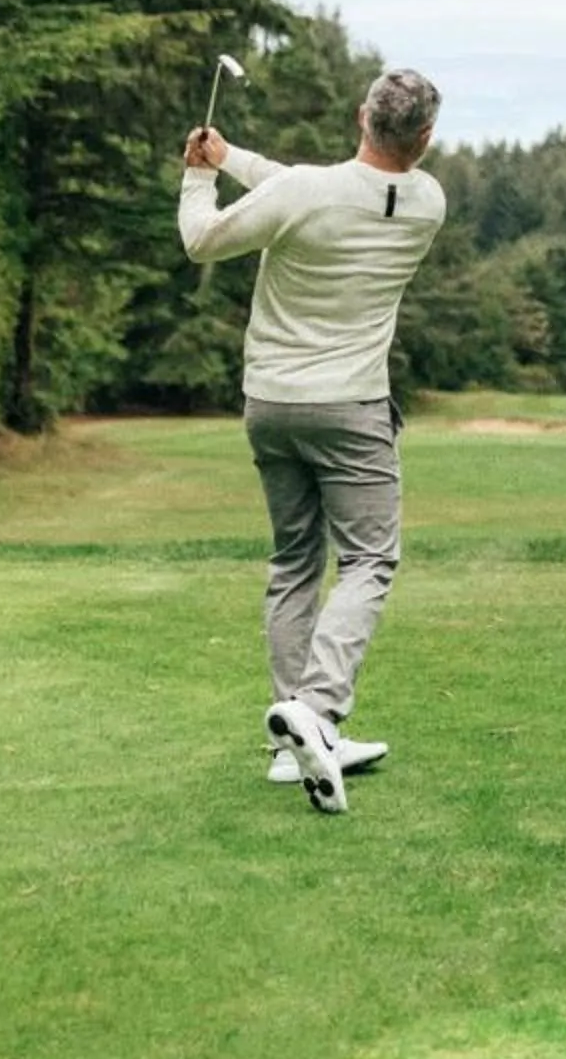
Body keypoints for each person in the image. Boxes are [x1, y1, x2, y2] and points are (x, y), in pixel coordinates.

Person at [177, 68, 448, 814]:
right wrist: (231, 159)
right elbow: (308, 187)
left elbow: (206, 236)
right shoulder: (427, 202)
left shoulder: (306, 194)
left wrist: (200, 176)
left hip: (271, 404)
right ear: (424, 138)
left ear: (362, 116)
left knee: (296, 560)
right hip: (352, 408)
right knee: (369, 559)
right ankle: (319, 715)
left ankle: (291, 743)